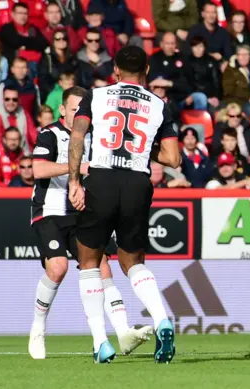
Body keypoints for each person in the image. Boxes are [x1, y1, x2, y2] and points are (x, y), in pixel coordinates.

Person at [67, 46, 181, 364]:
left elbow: (77, 135)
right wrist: (143, 147)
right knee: (133, 263)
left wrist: (75, 181)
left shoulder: (97, 95)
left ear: (115, 69)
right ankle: (161, 320)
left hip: (102, 179)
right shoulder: (159, 105)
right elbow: (173, 158)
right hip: (137, 182)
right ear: (146, 69)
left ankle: (101, 341)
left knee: (89, 261)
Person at [28, 86, 152, 359]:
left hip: (84, 213)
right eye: (73, 110)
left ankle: (123, 333)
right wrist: (77, 168)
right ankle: (38, 328)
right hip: (49, 211)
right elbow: (38, 169)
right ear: (62, 110)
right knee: (58, 268)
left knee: (102, 265)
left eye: (82, 110)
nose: (79, 114)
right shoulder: (50, 134)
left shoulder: (96, 136)